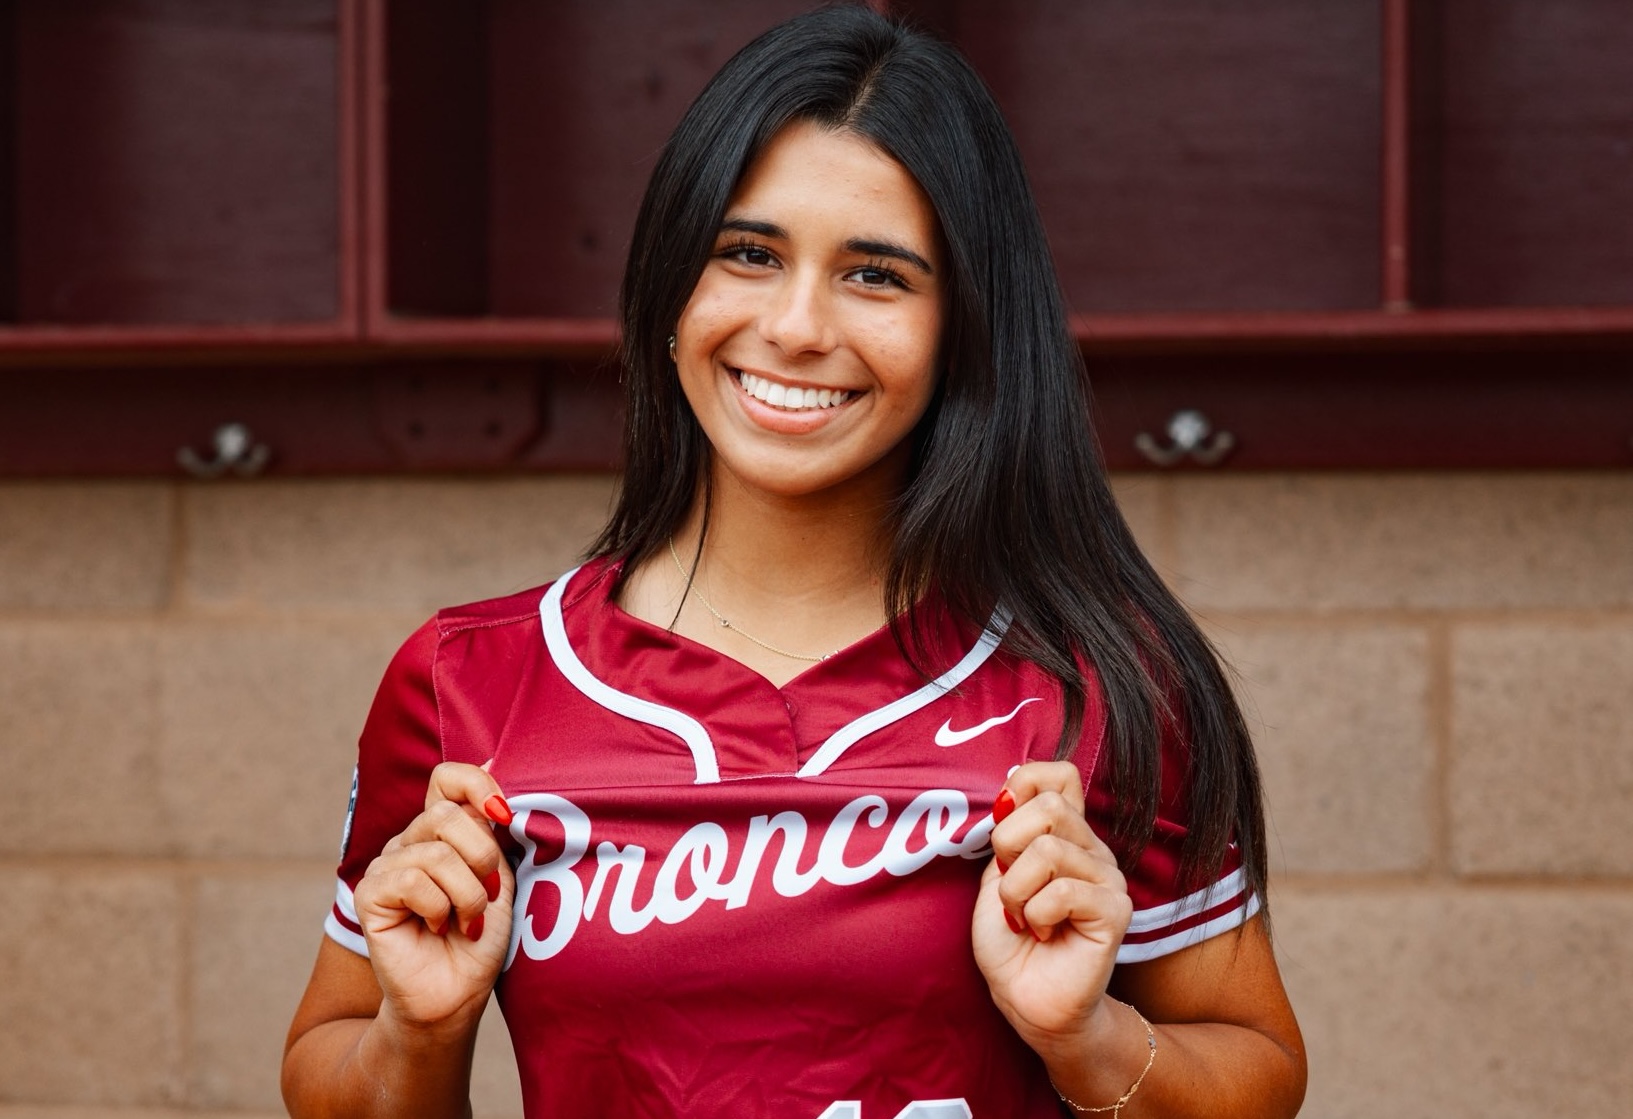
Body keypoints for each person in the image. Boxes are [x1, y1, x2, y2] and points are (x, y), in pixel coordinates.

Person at [282, 6, 1306, 1117]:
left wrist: (1087, 1038)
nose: (797, 325)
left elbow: (1257, 1073)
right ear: (671, 285)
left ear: (964, 326)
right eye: (750, 254)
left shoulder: (1102, 686)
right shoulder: (466, 683)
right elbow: (326, 1070)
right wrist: (417, 1035)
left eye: (875, 276)